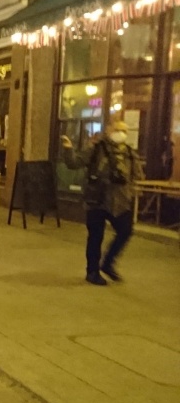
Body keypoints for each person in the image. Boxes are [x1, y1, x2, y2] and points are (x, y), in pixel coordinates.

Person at [61, 120, 144, 286]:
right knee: (95, 237)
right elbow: (74, 163)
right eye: (118, 129)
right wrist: (68, 149)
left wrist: (133, 188)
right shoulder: (97, 149)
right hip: (97, 200)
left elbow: (138, 175)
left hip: (120, 202)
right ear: (109, 130)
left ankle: (108, 263)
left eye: (125, 131)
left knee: (125, 231)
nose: (121, 133)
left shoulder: (129, 152)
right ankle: (92, 272)